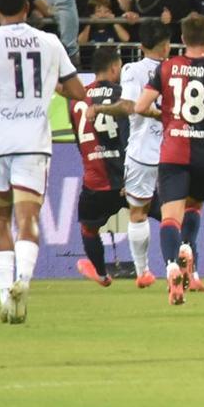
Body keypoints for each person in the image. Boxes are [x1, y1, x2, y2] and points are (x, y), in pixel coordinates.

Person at [0, 0, 87, 323]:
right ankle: (23, 281)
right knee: (27, 218)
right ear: (28, 6)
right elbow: (78, 92)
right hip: (33, 143)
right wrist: (50, 87)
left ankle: (3, 295)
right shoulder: (50, 42)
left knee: (0, 217)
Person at [132, 13, 204, 305]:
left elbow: (141, 105)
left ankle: (172, 266)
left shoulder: (167, 67)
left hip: (174, 149)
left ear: (182, 40)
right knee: (195, 207)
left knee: (170, 217)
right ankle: (187, 248)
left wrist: (165, 115)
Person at [88, 22, 172, 289]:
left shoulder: (132, 70)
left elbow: (127, 107)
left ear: (140, 47)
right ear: (167, 46)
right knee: (176, 213)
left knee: (138, 213)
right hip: (174, 150)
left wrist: (101, 107)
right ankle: (181, 271)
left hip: (141, 153)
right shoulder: (176, 69)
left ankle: (143, 271)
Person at [67, 46, 128, 286]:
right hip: (127, 176)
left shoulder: (77, 98)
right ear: (114, 67)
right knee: (167, 215)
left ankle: (102, 275)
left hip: (95, 180)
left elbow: (79, 140)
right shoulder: (123, 93)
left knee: (88, 229)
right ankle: (178, 267)